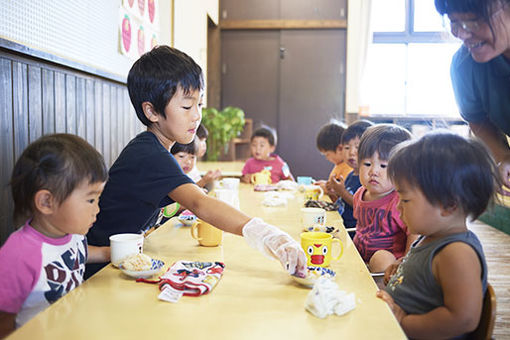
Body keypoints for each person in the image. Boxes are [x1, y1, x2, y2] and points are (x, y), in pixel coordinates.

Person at [85, 46, 306, 279]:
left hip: (120, 262)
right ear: (151, 111)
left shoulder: (154, 149)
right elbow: (201, 204)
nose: (197, 115)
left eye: (199, 104)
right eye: (187, 106)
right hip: (96, 271)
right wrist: (267, 234)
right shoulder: (149, 154)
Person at [377, 131, 499, 339]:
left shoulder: (457, 253)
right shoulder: (431, 236)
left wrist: (403, 323)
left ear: (448, 205)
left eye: (405, 200)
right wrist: (402, 267)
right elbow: (427, 273)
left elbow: (464, 318)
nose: (398, 207)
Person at [0, 134, 109, 337]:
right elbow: (4, 320)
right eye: (91, 200)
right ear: (46, 202)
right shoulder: (18, 255)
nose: (97, 209)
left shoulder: (72, 234)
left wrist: (106, 253)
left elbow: (78, 254)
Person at [435, 0, 510, 194]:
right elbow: (478, 120)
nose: (462, 33)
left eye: (473, 21)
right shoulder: (465, 66)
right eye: (453, 22)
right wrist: (504, 157)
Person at [352, 124, 418, 273]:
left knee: (381, 258)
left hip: (389, 266)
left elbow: (414, 233)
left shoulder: (400, 201)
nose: (373, 171)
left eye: (383, 166)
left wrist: (405, 263)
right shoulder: (360, 194)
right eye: (367, 164)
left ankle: (382, 293)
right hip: (361, 258)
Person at [326, 120, 373, 230]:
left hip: (353, 231)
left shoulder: (367, 178)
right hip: (340, 224)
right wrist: (335, 192)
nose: (351, 152)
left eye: (357, 147)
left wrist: (341, 191)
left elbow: (360, 207)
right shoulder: (351, 174)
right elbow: (345, 201)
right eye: (347, 148)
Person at [315, 121, 352, 201]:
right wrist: (326, 184)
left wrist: (328, 190)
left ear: (340, 149)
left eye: (327, 154)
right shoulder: (339, 164)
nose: (327, 158)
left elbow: (345, 193)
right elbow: (336, 186)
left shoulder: (349, 168)